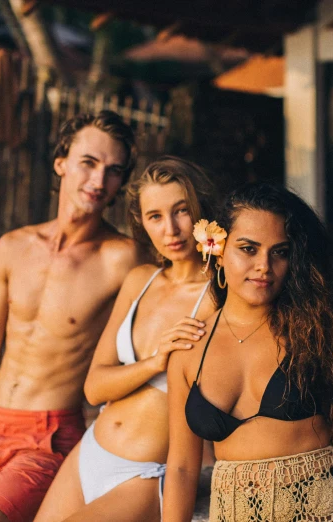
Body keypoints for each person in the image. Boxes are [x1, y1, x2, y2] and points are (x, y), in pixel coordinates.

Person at [0, 111, 145, 522]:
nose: (98, 181)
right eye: (88, 163)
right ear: (61, 162)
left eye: (112, 171)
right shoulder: (13, 246)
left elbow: (178, 293)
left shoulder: (122, 258)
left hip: (47, 438)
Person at [34, 157, 218, 522]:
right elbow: (94, 386)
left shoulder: (217, 297)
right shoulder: (140, 280)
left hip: (145, 475)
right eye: (155, 217)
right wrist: (155, 361)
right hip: (90, 453)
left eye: (181, 211)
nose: (171, 229)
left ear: (201, 215)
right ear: (142, 224)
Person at [164, 183, 333, 522]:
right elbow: (182, 467)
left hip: (323, 512)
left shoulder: (315, 323)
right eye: (248, 249)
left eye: (280, 252)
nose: (264, 266)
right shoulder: (189, 351)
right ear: (219, 250)